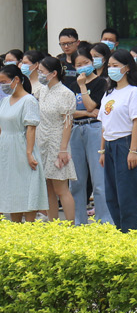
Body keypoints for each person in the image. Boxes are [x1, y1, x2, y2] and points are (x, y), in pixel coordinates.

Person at [97, 50, 137, 232]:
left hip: (125, 142)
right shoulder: (108, 93)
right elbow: (104, 125)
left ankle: (131, 231)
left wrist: (133, 151)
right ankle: (120, 229)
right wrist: (102, 151)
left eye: (115, 66)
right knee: (111, 193)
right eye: (109, 66)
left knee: (128, 192)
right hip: (110, 144)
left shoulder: (133, 92)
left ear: (126, 68)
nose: (111, 69)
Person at [66, 49, 110, 225]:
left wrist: (83, 87)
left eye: (86, 63)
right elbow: (70, 111)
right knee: (76, 180)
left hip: (94, 129)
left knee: (98, 177)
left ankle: (104, 219)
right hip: (76, 129)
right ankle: (79, 220)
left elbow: (93, 105)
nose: (83, 67)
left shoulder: (101, 83)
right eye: (79, 64)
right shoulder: (72, 85)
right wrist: (86, 112)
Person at [0, 63, 45, 221]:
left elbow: (31, 128)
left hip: (21, 146)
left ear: (16, 80)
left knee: (26, 188)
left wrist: (29, 152)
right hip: (6, 149)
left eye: (4, 82)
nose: (2, 86)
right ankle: (16, 227)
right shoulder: (5, 101)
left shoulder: (29, 101)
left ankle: (29, 227)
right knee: (11, 190)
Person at [34, 57, 76, 222]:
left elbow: (67, 123)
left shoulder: (66, 93)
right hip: (42, 141)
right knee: (48, 188)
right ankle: (53, 224)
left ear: (53, 73)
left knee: (60, 188)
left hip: (57, 142)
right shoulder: (42, 90)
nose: (39, 75)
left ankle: (70, 226)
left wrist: (63, 149)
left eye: (42, 72)